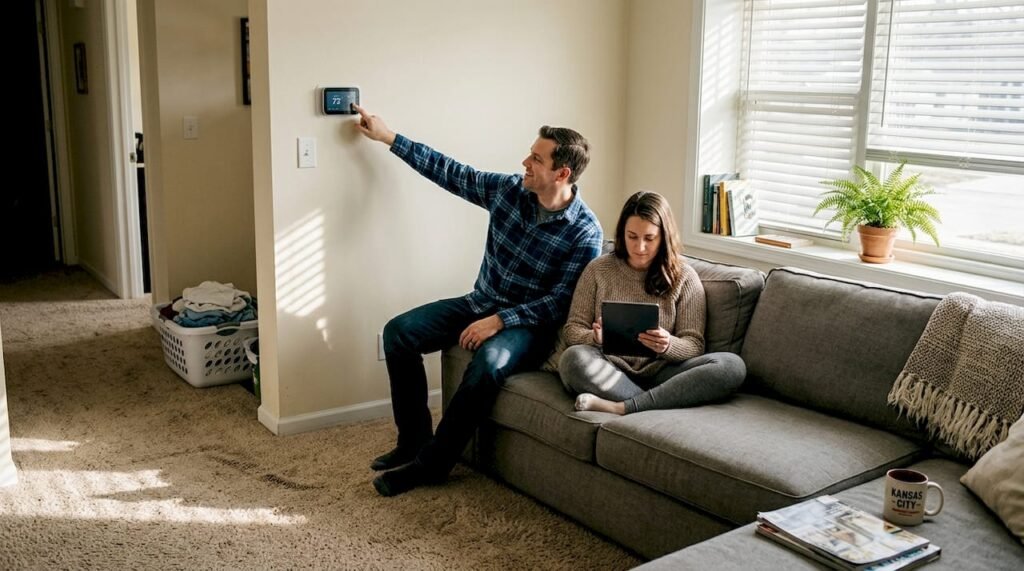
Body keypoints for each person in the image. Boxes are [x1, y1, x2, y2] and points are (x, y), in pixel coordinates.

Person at [353, 104, 603, 496]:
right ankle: (413, 440)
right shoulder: (509, 191)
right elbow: (453, 172)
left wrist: (501, 321)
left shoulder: (585, 232)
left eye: (536, 159)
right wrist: (388, 138)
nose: (525, 162)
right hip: (481, 301)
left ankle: (433, 464)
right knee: (399, 333)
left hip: (528, 325)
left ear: (562, 173)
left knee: (488, 364)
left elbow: (561, 301)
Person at [554, 191, 746, 415]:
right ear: (622, 233)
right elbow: (572, 329)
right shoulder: (598, 270)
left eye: (649, 238)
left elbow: (694, 345)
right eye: (632, 237)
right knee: (572, 359)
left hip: (664, 373)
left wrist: (667, 345)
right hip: (610, 367)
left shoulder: (684, 277)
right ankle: (653, 403)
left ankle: (622, 407)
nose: (640, 247)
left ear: (664, 236)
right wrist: (594, 338)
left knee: (731, 366)